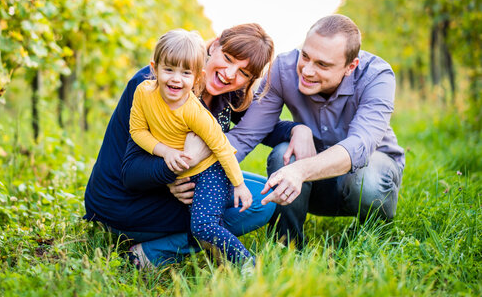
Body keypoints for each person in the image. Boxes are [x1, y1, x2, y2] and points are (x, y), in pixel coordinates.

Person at [84, 23, 290, 267]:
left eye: (244, 73)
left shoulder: (225, 94)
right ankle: (154, 253)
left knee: (260, 192)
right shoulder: (155, 85)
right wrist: (174, 173)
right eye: (228, 58)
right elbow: (132, 173)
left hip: (171, 189)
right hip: (123, 203)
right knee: (255, 205)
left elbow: (264, 126)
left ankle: (172, 242)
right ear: (213, 46)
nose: (230, 74)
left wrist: (298, 130)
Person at [224, 14, 405, 248]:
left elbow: (359, 147)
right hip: (310, 184)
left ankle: (371, 239)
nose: (307, 71)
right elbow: (245, 135)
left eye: (322, 64)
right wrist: (191, 170)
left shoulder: (377, 76)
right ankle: (286, 245)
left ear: (351, 67)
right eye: (305, 56)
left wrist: (300, 170)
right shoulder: (283, 68)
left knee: (367, 180)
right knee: (283, 155)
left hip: (368, 175)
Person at [129, 29, 253, 265]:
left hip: (211, 171)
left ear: (197, 79)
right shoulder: (143, 93)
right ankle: (217, 262)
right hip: (184, 172)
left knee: (203, 225)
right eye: (169, 70)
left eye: (186, 73)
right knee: (203, 225)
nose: (176, 79)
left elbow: (222, 148)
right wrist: (165, 152)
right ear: (154, 69)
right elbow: (137, 131)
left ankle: (247, 263)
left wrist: (239, 184)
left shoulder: (194, 112)